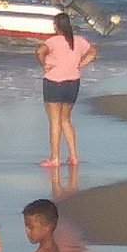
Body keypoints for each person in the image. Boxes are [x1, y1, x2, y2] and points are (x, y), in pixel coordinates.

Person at [36, 13, 97, 167]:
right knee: (66, 119)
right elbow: (93, 52)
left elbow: (39, 51)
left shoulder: (53, 41)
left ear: (57, 26)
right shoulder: (79, 40)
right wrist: (80, 64)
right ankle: (73, 156)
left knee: (55, 121)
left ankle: (55, 158)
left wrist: (44, 64)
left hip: (54, 81)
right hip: (72, 82)